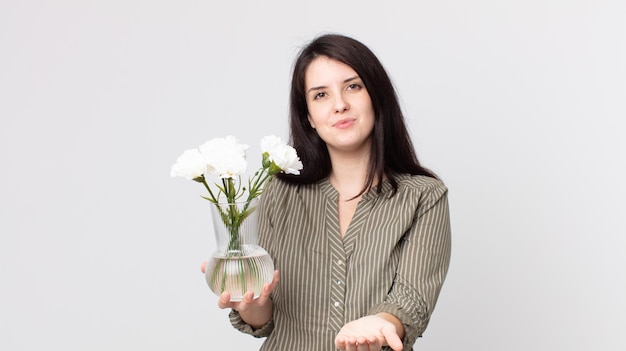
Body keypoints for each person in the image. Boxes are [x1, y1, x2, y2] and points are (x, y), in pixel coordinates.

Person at [202, 33, 451, 351]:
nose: (340, 105)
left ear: (376, 95)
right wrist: (249, 304)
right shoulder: (279, 191)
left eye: (353, 86)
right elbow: (267, 317)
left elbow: (412, 300)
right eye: (320, 95)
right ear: (309, 117)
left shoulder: (424, 197)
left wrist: (383, 323)